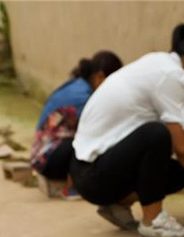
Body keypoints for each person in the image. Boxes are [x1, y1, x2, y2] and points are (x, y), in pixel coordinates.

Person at [70, 24, 184, 237]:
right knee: (156, 135)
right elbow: (183, 146)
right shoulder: (173, 76)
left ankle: (117, 205)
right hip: (92, 173)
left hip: (88, 170)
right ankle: (153, 221)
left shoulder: (160, 64)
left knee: (177, 173)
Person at [30, 52, 123, 185]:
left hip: (43, 156)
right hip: (47, 160)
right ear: (100, 77)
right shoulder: (82, 97)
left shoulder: (79, 86)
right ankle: (74, 186)